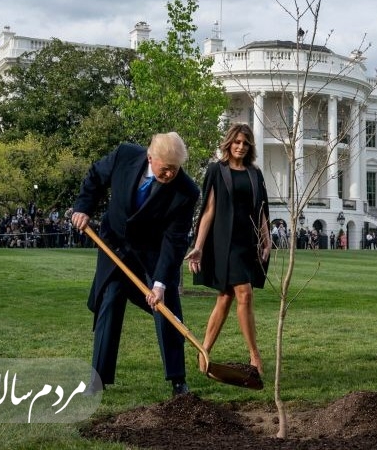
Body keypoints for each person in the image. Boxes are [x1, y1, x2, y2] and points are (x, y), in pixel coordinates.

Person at [71, 132, 199, 396]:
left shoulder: (187, 191)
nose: (170, 175)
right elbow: (95, 176)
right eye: (165, 170)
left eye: (175, 170)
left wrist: (160, 283)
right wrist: (83, 208)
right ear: (150, 158)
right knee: (110, 298)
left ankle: (178, 380)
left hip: (153, 254)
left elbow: (174, 240)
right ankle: (98, 379)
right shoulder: (124, 155)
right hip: (114, 244)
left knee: (165, 310)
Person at [184, 123, 271, 376]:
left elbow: (262, 211)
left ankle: (204, 350)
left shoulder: (255, 174)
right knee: (244, 293)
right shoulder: (216, 171)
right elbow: (209, 210)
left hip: (248, 242)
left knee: (226, 297)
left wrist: (266, 240)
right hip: (226, 242)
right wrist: (198, 246)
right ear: (229, 143)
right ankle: (255, 355)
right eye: (237, 142)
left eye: (245, 143)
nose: (241, 147)